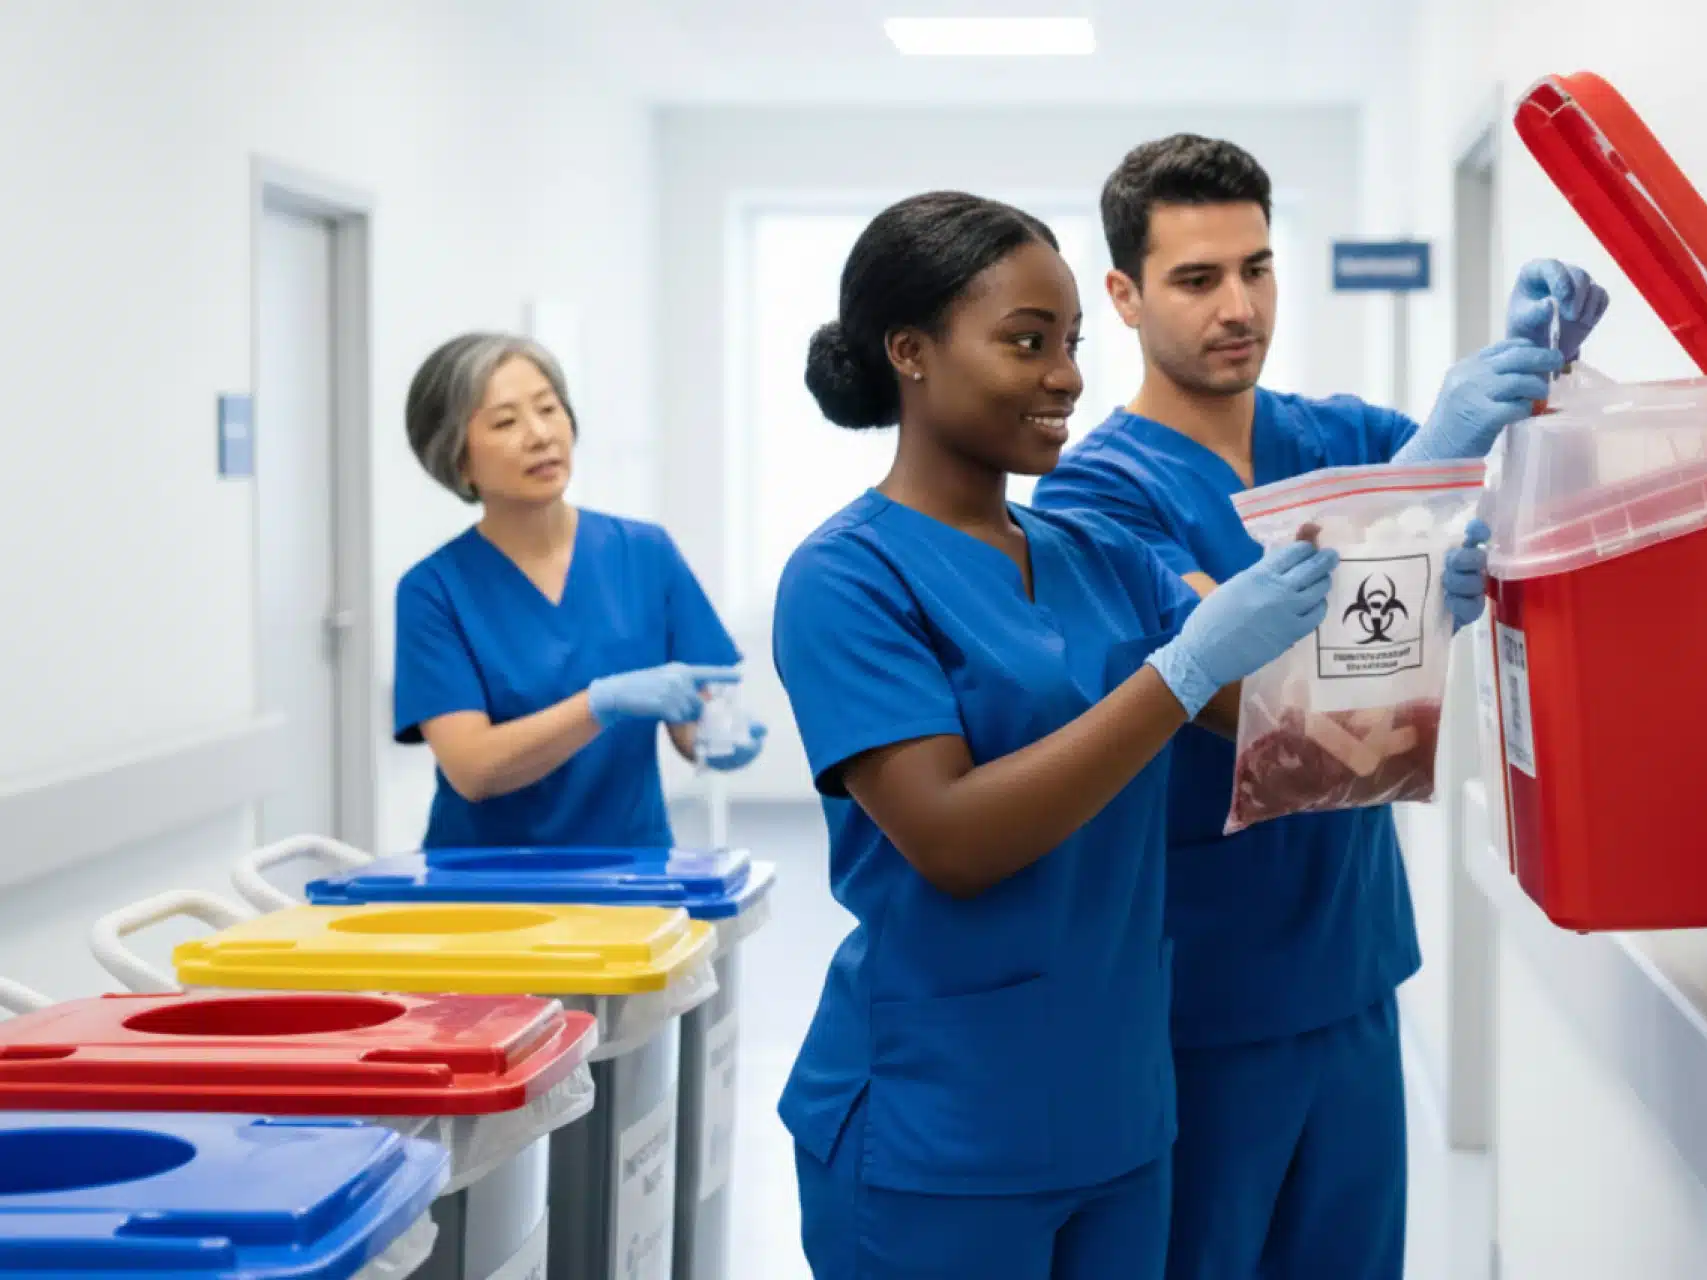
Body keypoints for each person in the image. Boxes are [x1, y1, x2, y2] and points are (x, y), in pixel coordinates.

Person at [774, 190, 1496, 1279]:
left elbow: (1294, 724)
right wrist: (1181, 667)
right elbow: (953, 837)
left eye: (1067, 344)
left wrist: (1419, 602)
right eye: (1025, 343)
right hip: (940, 1122)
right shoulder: (846, 576)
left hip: (1121, 1118)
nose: (1065, 373)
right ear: (910, 351)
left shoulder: (1088, 554)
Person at [1031, 133, 1609, 1280]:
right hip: (1203, 993)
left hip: (1349, 968)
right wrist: (1430, 473)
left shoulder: (1337, 438)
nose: (1237, 305)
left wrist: (1534, 382)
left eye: (1257, 267)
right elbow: (1244, 699)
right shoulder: (1096, 493)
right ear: (1125, 295)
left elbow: (1494, 539)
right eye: (1197, 279)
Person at [393, 332, 764, 850]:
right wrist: (599, 704)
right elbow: (473, 769)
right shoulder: (433, 590)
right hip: (484, 888)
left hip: (631, 874)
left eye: (549, 408)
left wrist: (716, 734)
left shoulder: (645, 553)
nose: (540, 434)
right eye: (506, 422)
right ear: (458, 460)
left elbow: (692, 715)